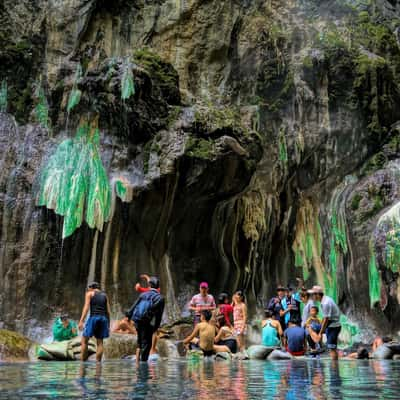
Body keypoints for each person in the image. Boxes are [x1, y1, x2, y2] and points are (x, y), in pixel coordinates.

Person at [130, 276, 165, 363]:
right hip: (147, 322)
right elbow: (158, 315)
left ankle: (137, 364)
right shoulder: (160, 298)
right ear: (158, 287)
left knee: (140, 342)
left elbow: (133, 307)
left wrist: (129, 316)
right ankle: (143, 366)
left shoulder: (143, 294)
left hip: (138, 320)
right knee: (147, 344)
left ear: (149, 286)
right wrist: (156, 327)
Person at [78, 282, 111, 362]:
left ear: (91, 287)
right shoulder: (104, 295)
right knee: (100, 342)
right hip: (103, 319)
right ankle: (98, 364)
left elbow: (86, 308)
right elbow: (108, 311)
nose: (87, 289)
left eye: (88, 288)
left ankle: (83, 362)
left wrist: (81, 321)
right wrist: (108, 324)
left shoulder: (90, 294)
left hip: (94, 318)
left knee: (84, 340)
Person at [309, 285, 341, 360]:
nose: (312, 296)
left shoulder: (326, 303)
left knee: (332, 348)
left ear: (317, 295)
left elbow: (326, 319)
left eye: (313, 294)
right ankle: (319, 344)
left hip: (333, 326)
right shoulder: (323, 301)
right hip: (328, 324)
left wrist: (320, 333)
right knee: (312, 326)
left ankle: (334, 368)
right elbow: (324, 317)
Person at [134, 274, 160, 354]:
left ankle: (149, 349)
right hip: (151, 314)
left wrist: (145, 278)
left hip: (146, 315)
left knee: (152, 331)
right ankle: (152, 349)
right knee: (154, 331)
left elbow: (139, 288)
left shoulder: (147, 292)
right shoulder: (156, 290)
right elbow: (146, 285)